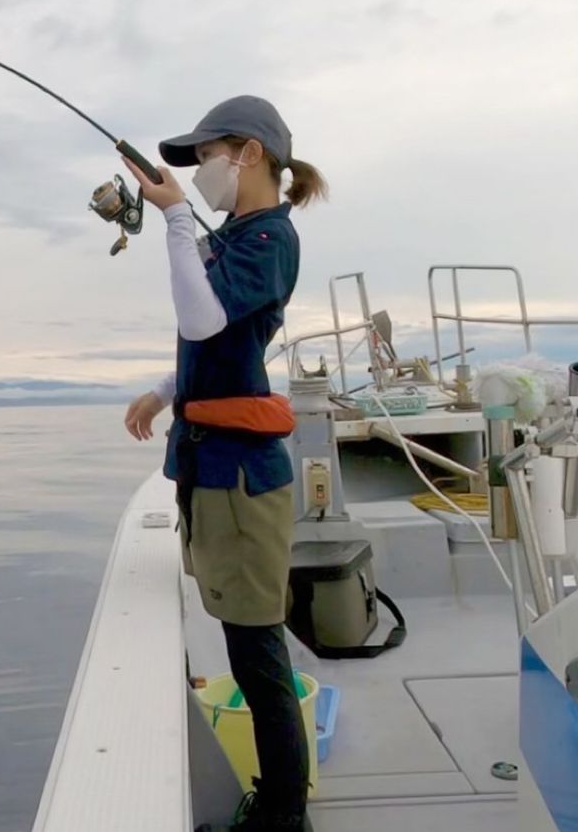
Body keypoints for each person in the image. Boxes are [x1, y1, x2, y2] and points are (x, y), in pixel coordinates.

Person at [121, 95, 327, 832]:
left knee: (257, 656)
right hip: (217, 475)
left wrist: (177, 219)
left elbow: (201, 317)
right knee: (248, 649)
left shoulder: (270, 238)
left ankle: (281, 816)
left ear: (247, 152)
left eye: (206, 155)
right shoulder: (240, 232)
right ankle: (279, 806)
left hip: (240, 483)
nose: (199, 169)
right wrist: (163, 390)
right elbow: (218, 347)